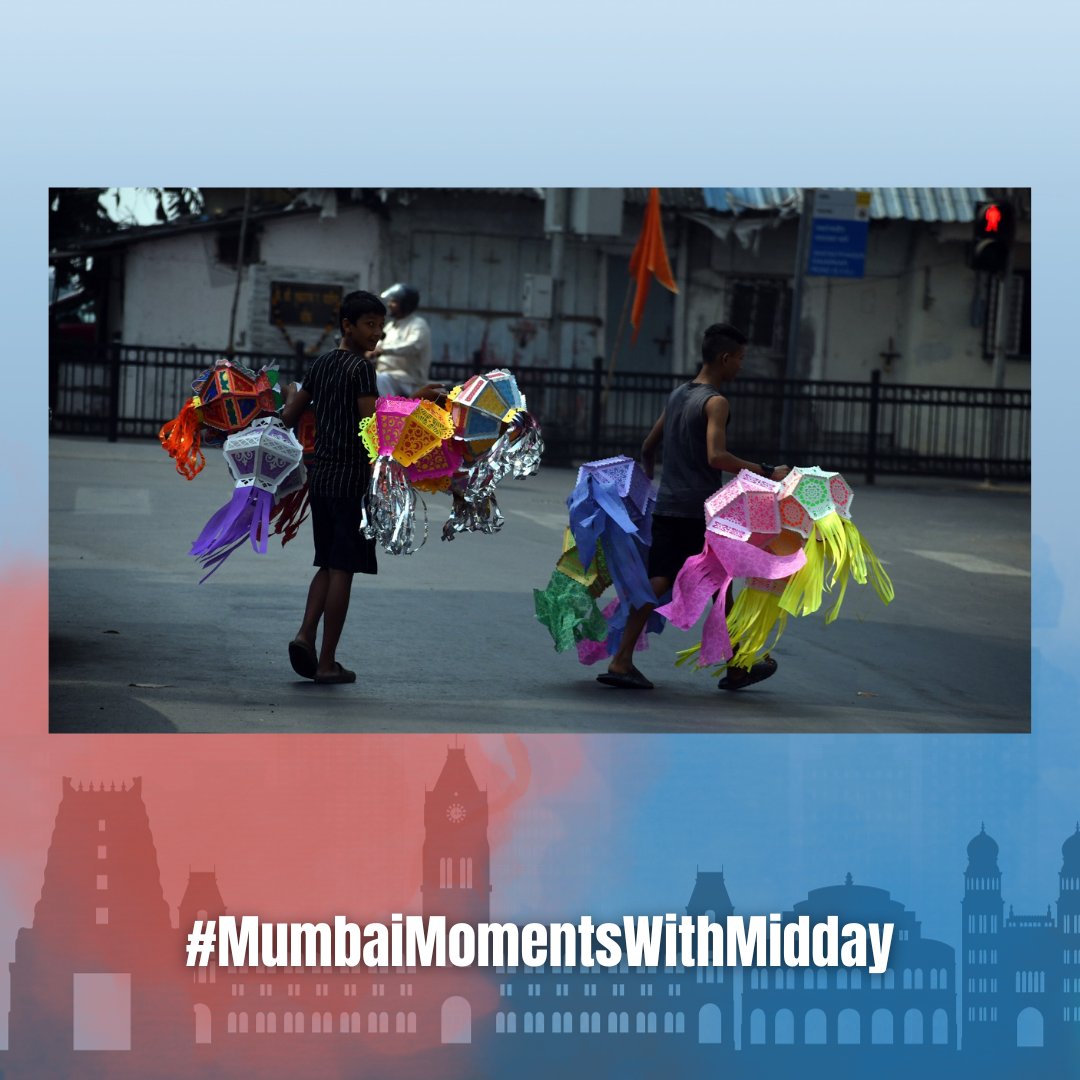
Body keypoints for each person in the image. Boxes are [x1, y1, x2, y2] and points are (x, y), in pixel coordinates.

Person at [598, 323, 791, 692]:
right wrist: (767, 471)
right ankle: (738, 666)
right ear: (724, 358)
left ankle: (623, 660)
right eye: (740, 359)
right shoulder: (715, 402)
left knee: (667, 581)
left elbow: (648, 446)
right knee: (720, 588)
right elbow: (716, 456)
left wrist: (654, 485)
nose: (740, 366)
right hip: (699, 511)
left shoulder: (677, 395)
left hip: (669, 506)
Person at [281, 290, 385, 684]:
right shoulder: (360, 370)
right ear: (348, 326)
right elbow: (371, 430)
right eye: (369, 325)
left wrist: (290, 394)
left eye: (380, 326)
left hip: (320, 478)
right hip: (351, 480)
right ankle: (326, 663)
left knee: (326, 563)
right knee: (344, 568)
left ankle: (305, 635)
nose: (376, 334)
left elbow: (289, 415)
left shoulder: (321, 364)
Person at [367, 283, 433, 398]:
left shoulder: (418, 324)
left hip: (408, 380)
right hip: (388, 376)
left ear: (406, 305)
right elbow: (377, 345)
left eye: (394, 302)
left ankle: (387, 413)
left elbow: (412, 346)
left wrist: (382, 350)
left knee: (379, 380)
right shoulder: (391, 326)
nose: (389, 305)